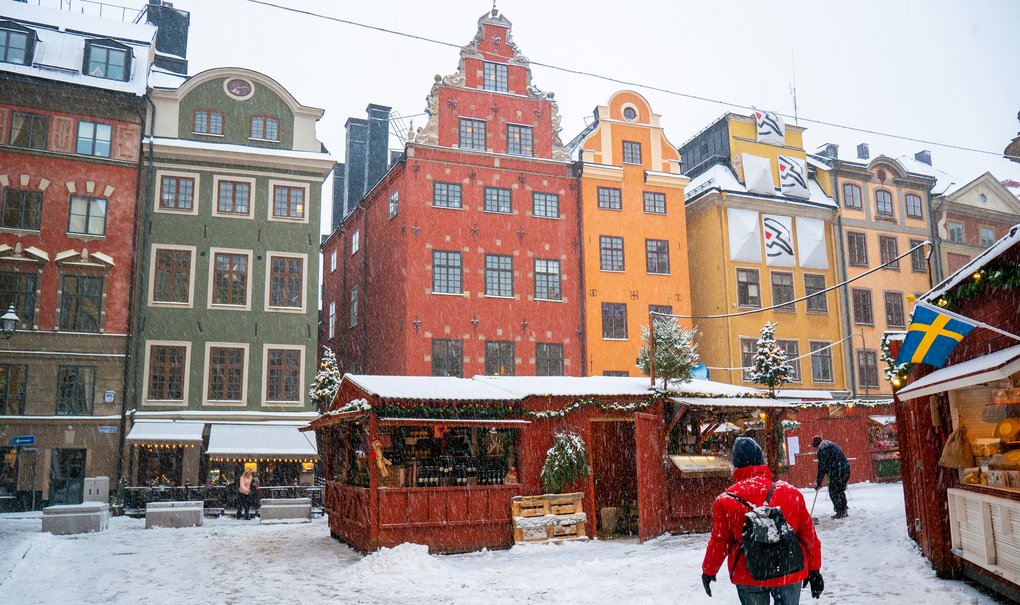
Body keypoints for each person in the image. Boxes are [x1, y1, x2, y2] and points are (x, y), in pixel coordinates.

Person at [702, 437, 823, 603]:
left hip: (749, 572)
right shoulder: (791, 493)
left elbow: (720, 541)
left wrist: (709, 571)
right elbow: (809, 536)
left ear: (735, 465)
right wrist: (815, 569)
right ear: (761, 461)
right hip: (789, 568)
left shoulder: (725, 501)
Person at [811, 435, 851, 519]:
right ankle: (843, 510)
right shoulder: (829, 445)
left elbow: (822, 467)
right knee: (839, 491)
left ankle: (840, 511)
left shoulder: (823, 450)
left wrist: (818, 482)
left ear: (817, 445)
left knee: (834, 492)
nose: (815, 449)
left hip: (838, 471)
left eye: (815, 447)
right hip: (844, 469)